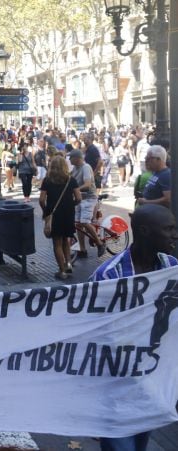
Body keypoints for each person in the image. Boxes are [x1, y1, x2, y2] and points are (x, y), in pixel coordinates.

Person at [90, 204, 178, 451]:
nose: (175, 235)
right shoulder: (109, 276)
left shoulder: (171, 267)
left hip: (150, 382)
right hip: (115, 384)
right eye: (169, 229)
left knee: (140, 443)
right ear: (145, 231)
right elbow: (88, 327)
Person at [39, 156, 82, 280]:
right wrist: (71, 205)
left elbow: (41, 200)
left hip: (54, 215)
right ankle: (68, 263)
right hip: (68, 213)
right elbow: (78, 198)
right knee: (66, 240)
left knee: (57, 243)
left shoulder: (47, 181)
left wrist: (46, 211)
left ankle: (62, 271)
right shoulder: (71, 180)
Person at [69, 149, 106, 257]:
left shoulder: (85, 167)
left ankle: (100, 244)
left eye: (71, 157)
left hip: (89, 198)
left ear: (77, 158)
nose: (69, 159)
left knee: (84, 222)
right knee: (78, 224)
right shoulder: (75, 168)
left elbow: (87, 185)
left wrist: (74, 190)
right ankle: (82, 249)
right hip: (79, 198)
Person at [136, 145, 170, 209]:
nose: (146, 161)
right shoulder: (156, 172)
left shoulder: (166, 175)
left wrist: (146, 202)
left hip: (157, 212)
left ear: (158, 159)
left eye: (149, 158)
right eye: (146, 158)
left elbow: (168, 199)